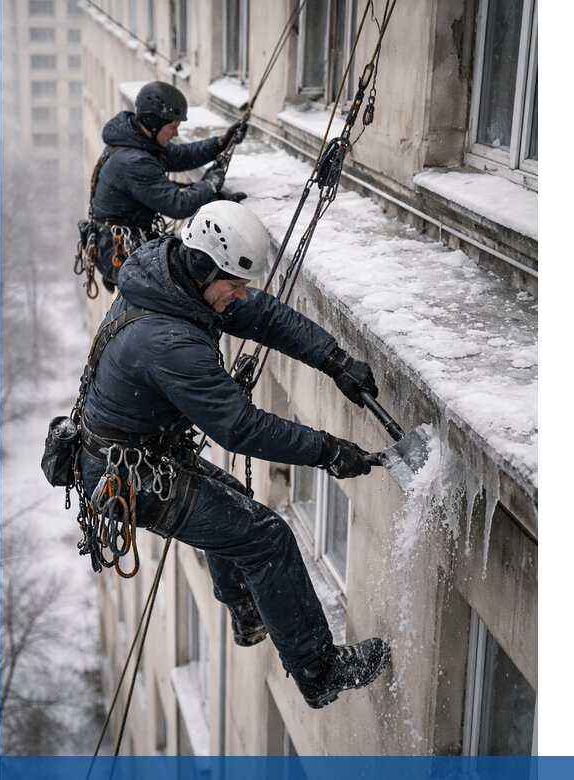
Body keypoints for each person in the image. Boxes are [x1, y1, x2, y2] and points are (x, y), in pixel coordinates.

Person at [78, 201, 390, 709]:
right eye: (235, 284)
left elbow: (261, 314)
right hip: (126, 476)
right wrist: (329, 450)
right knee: (266, 537)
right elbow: (239, 428)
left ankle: (246, 613)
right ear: (204, 268)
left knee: (231, 507)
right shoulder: (169, 340)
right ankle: (319, 671)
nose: (241, 295)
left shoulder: (175, 278)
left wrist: (335, 361)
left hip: (135, 454)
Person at [89, 80, 247, 291]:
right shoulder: (133, 161)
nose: (176, 134)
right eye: (172, 127)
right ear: (154, 124)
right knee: (198, 274)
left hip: (120, 242)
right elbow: (178, 205)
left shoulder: (138, 139)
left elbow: (181, 156)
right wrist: (209, 185)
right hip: (120, 251)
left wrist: (220, 143)